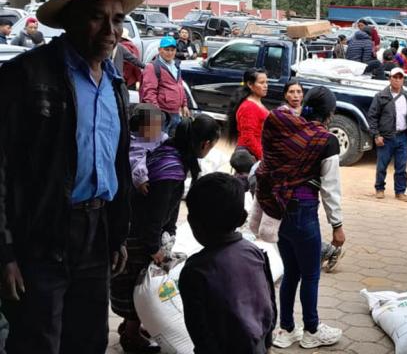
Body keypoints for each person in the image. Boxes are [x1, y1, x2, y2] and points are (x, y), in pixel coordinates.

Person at [0, 0, 143, 353]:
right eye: (98, 17)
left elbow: (117, 166)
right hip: (41, 235)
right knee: (38, 340)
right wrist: (5, 252)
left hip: (96, 234)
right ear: (68, 20)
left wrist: (117, 233)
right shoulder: (26, 76)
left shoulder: (114, 83)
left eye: (118, 19)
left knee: (90, 338)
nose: (111, 30)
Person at [112, 115, 220, 352]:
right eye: (212, 145)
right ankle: (130, 335)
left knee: (138, 281)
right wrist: (155, 249)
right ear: (205, 144)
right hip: (137, 235)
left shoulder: (168, 151)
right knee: (138, 283)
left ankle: (129, 327)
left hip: (134, 228)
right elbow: (152, 217)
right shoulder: (171, 170)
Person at [257, 86, 346, 349]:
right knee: (310, 274)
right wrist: (337, 225)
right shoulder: (325, 140)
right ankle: (311, 330)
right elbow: (331, 188)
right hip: (303, 212)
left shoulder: (285, 128)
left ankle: (286, 329)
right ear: (330, 113)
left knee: (291, 272)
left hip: (278, 211)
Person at [182, 173, 277, 353]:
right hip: (259, 345)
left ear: (192, 222)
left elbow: (199, 330)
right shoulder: (255, 253)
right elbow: (269, 302)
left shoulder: (195, 270)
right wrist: (267, 343)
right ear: (242, 218)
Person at [368, 68, 407, 202]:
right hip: (386, 137)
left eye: (400, 78)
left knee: (401, 167)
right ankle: (379, 188)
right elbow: (372, 117)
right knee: (382, 166)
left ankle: (400, 191)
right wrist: (376, 135)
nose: (398, 80)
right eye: (395, 77)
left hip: (402, 136)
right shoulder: (381, 96)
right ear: (390, 79)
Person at [141, 36, 190, 135]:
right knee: (158, 144)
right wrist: (157, 114)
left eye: (172, 50)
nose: (170, 53)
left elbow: (179, 85)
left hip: (175, 113)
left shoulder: (176, 65)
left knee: (172, 145)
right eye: (166, 50)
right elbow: (149, 92)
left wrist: (184, 105)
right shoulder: (152, 67)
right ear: (160, 50)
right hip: (162, 114)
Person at [227, 68, 270, 174]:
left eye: (266, 82)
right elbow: (248, 138)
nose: (266, 86)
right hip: (250, 156)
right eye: (261, 83)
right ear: (250, 85)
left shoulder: (256, 102)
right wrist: (262, 158)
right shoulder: (248, 107)